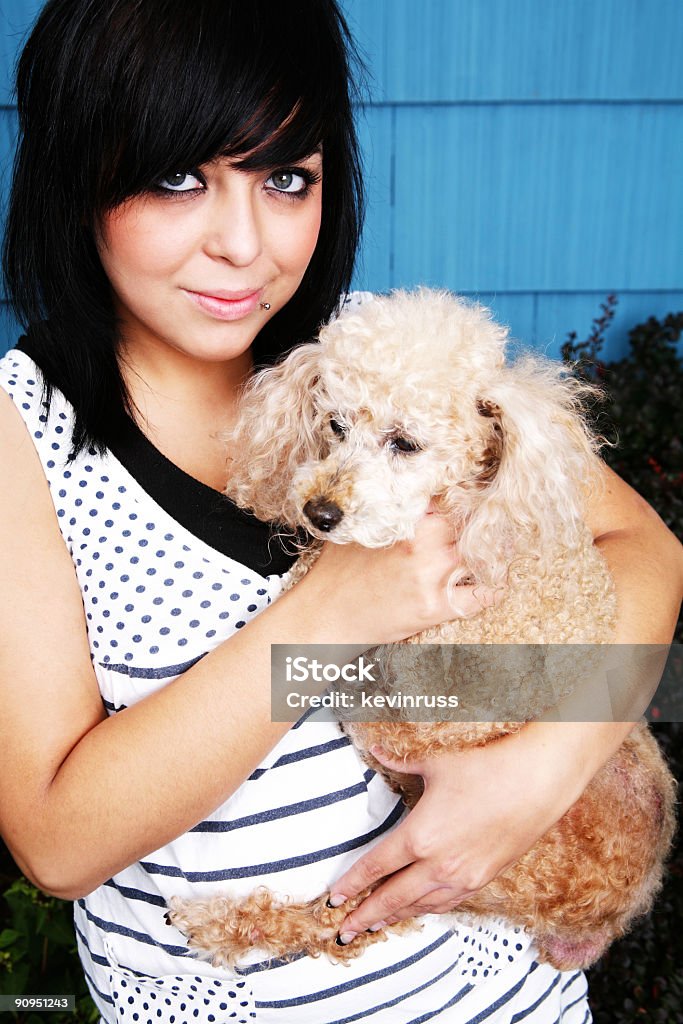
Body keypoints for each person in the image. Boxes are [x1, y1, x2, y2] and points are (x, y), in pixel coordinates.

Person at [0, 2, 680, 1022]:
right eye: (180, 176)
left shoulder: (364, 361)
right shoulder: (26, 433)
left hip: (511, 993)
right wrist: (326, 620)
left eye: (285, 179)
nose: (244, 246)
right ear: (73, 170)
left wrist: (541, 766)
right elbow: (57, 840)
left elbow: (647, 552)